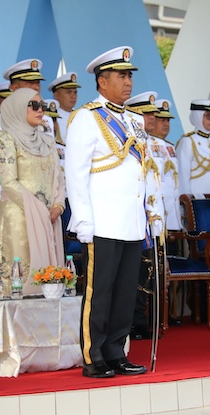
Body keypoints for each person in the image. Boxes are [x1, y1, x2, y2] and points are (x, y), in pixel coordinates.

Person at [65, 46, 160, 378]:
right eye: (121, 76)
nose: (128, 82)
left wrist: (151, 214)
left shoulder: (134, 120)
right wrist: (83, 219)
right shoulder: (86, 118)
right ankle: (93, 356)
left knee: (124, 293)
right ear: (102, 81)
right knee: (100, 292)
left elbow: (143, 170)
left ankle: (117, 351)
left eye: (130, 76)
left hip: (131, 221)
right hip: (102, 221)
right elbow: (75, 174)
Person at [0, 88, 65, 296]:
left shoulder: (48, 141)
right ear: (19, 108)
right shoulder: (6, 139)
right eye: (34, 105)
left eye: (42, 106)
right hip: (19, 219)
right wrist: (37, 209)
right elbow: (8, 182)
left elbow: (59, 179)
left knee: (48, 284)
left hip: (49, 219)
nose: (41, 110)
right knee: (19, 283)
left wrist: (58, 205)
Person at [0, 59, 47, 212]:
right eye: (30, 82)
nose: (36, 87)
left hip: (43, 201)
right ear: (14, 87)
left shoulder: (45, 120)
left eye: (37, 82)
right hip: (14, 204)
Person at [125, 91, 164, 340]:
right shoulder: (130, 141)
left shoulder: (153, 143)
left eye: (153, 114)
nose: (151, 118)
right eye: (146, 114)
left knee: (147, 272)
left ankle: (143, 321)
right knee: (134, 273)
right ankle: (133, 323)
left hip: (150, 218)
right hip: (133, 217)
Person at [153, 99, 182, 325]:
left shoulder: (170, 147)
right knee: (155, 270)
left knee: (170, 267)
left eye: (167, 120)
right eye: (160, 119)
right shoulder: (148, 145)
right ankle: (154, 315)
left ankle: (170, 313)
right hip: (157, 219)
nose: (165, 124)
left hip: (172, 218)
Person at [48, 72, 81, 142]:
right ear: (56, 95)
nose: (73, 96)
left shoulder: (81, 116)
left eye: (75, 92)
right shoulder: (51, 119)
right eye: (69, 92)